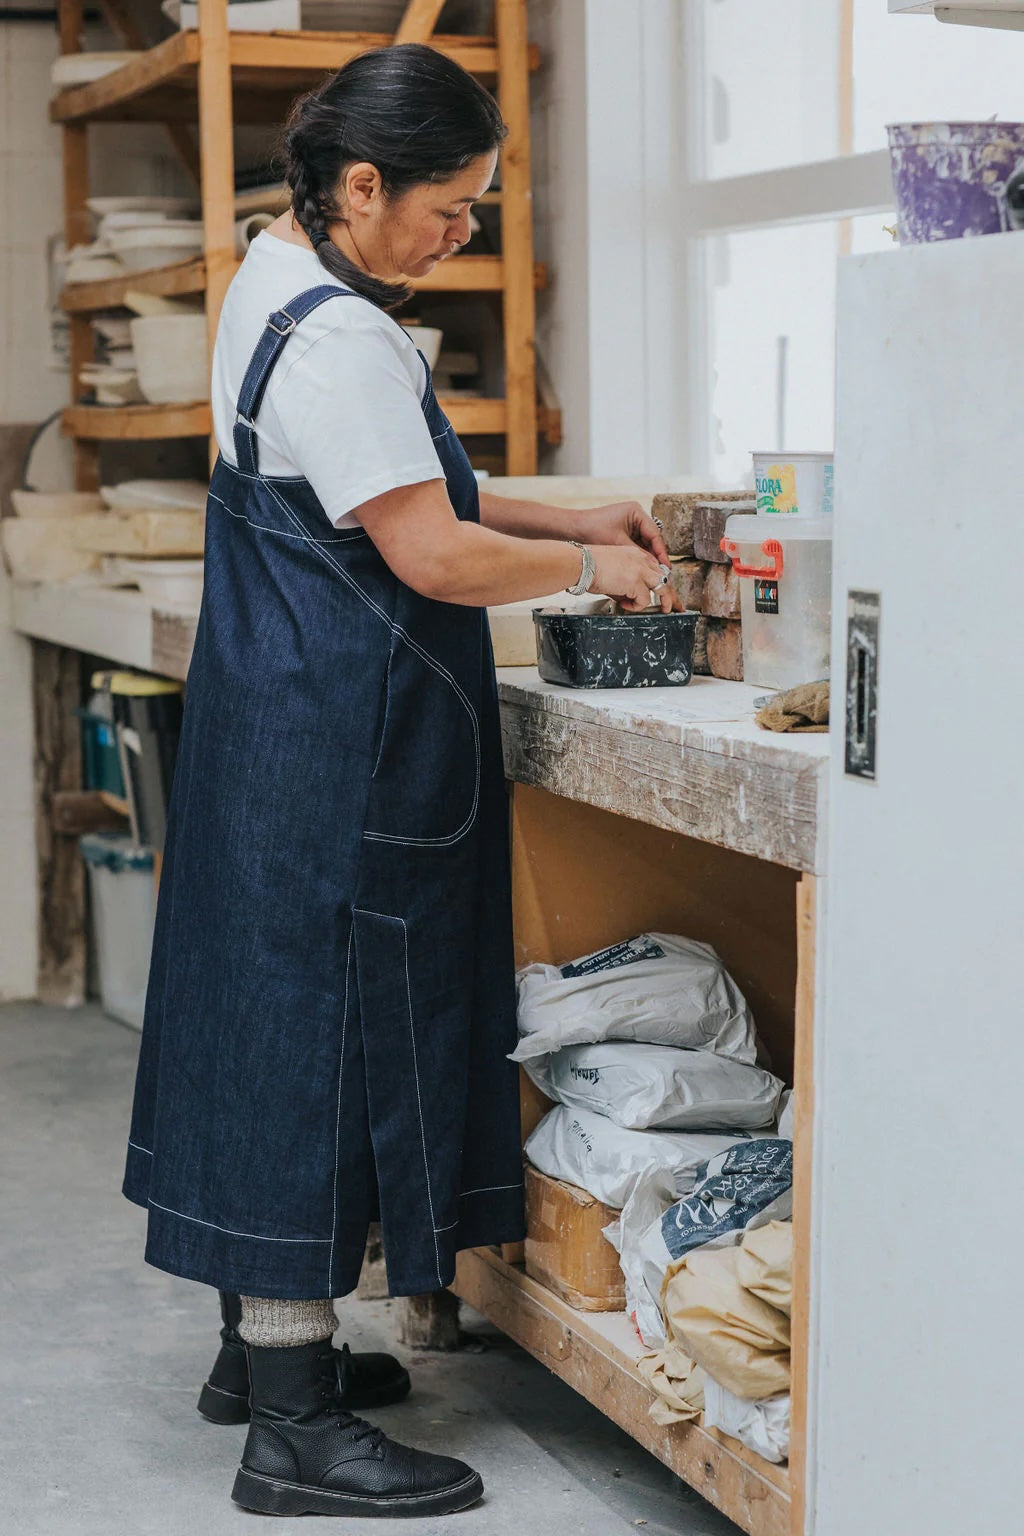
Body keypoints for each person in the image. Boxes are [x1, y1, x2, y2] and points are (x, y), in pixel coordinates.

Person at [123, 42, 678, 1521]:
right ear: (360, 185)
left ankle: (261, 1359)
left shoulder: (276, 278)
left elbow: (398, 488)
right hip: (346, 743)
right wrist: (592, 567)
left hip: (283, 722)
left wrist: (573, 506)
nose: (464, 234)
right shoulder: (348, 342)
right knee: (327, 1050)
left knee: (273, 1026)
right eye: (450, 206)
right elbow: (429, 553)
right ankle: (294, 1434)